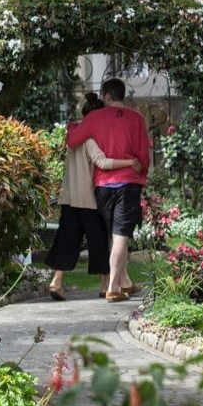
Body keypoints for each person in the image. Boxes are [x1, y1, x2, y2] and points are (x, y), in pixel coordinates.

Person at [46, 93, 142, 301]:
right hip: (89, 199)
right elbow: (102, 162)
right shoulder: (90, 138)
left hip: (70, 197)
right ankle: (105, 284)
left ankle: (57, 281)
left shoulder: (73, 133)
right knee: (99, 242)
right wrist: (130, 163)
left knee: (66, 239)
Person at [66, 78, 152, 303]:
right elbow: (144, 154)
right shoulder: (137, 118)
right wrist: (141, 175)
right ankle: (114, 286)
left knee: (112, 235)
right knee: (121, 234)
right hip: (129, 183)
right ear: (122, 94)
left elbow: (72, 140)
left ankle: (120, 283)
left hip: (103, 186)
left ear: (105, 95)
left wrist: (74, 126)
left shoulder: (94, 118)